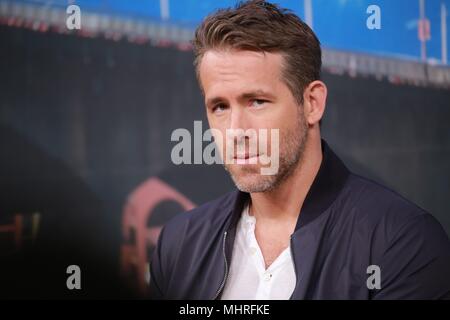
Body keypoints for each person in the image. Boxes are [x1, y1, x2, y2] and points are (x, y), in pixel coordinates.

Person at [149, 0, 450, 299]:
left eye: (257, 101)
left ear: (312, 103)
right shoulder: (179, 245)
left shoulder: (402, 242)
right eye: (220, 106)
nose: (235, 130)